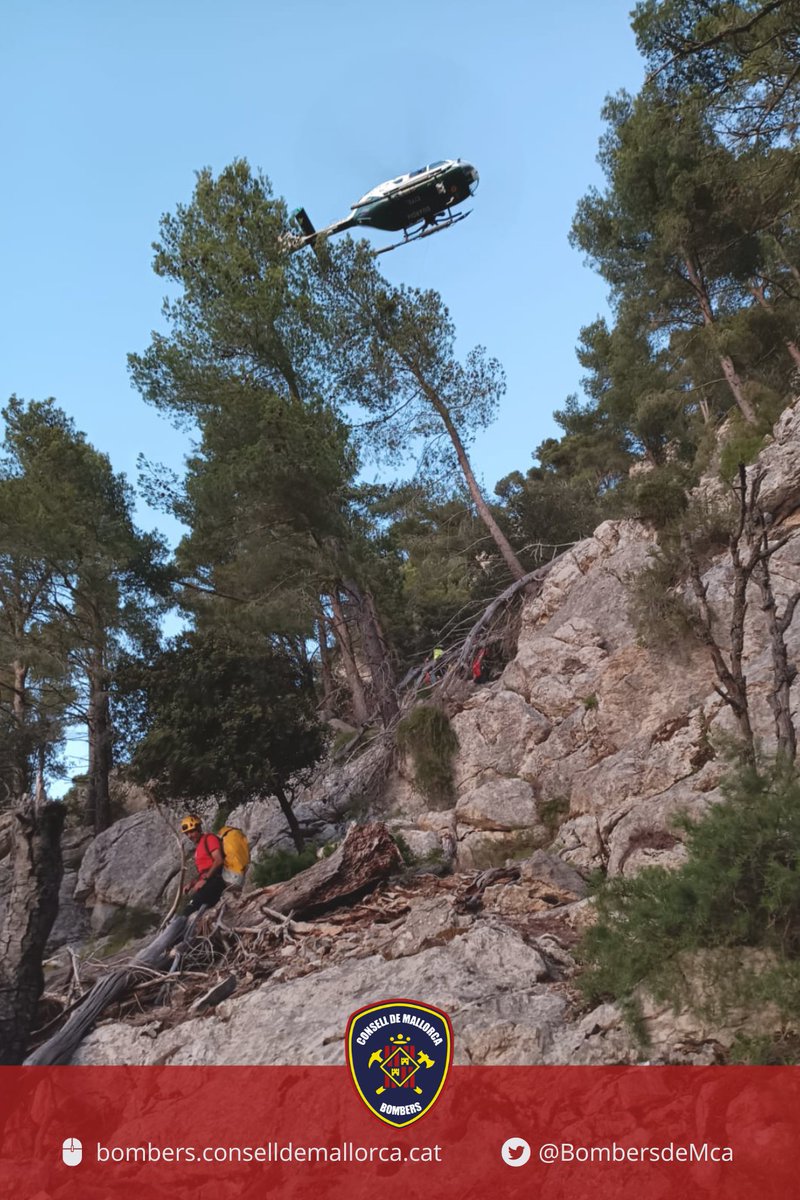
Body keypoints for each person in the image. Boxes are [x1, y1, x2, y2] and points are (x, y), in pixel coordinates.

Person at [180, 814, 227, 913]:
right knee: (191, 909)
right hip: (208, 883)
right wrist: (192, 883)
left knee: (189, 910)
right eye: (187, 833)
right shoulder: (198, 848)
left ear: (198, 828)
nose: (190, 836)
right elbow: (204, 871)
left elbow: (218, 860)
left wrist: (205, 880)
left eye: (192, 831)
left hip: (216, 881)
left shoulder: (209, 839)